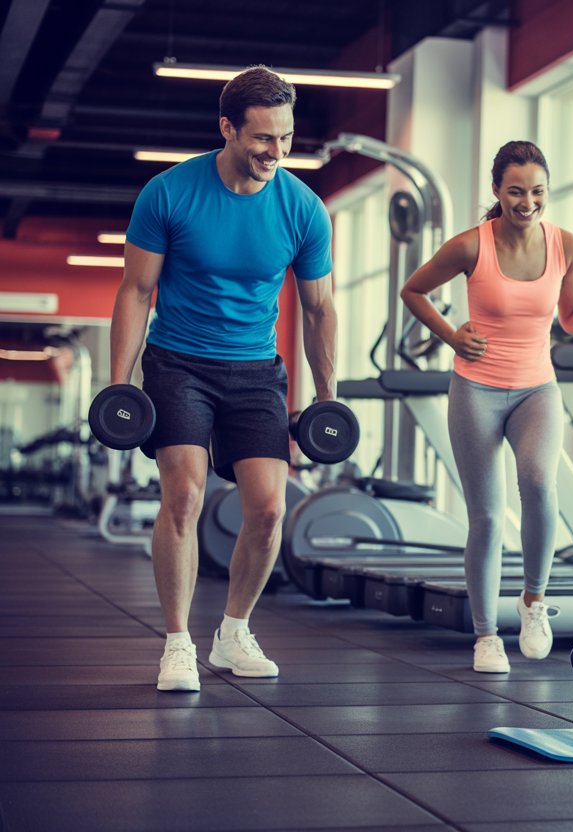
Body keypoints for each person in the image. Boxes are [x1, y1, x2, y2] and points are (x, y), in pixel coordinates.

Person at [110, 67, 336, 691]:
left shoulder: (302, 209)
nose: (276, 152)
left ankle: (233, 631)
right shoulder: (169, 191)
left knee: (267, 508)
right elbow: (135, 291)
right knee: (183, 495)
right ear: (227, 128)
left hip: (255, 370)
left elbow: (319, 309)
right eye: (263, 138)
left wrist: (327, 399)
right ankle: (177, 643)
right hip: (178, 361)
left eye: (286, 139)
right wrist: (118, 383)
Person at [400, 140, 573, 673]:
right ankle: (485, 636)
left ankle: (532, 601)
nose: (527, 202)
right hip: (475, 388)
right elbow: (414, 291)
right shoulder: (469, 246)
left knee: (539, 483)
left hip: (536, 388)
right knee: (485, 515)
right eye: (516, 192)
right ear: (497, 192)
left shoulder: (565, 244)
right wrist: (451, 336)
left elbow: (570, 319)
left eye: (537, 192)